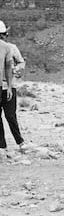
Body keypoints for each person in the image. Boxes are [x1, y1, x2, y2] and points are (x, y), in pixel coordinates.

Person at [0, 21, 26, 153]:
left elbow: (21, 62)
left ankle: (20, 141)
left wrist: (15, 70)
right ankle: (2, 145)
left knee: (10, 115)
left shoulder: (11, 48)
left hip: (9, 85)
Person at [0, 21, 15, 159]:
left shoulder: (6, 48)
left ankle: (2, 145)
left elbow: (8, 67)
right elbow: (8, 67)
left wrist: (9, 86)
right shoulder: (6, 47)